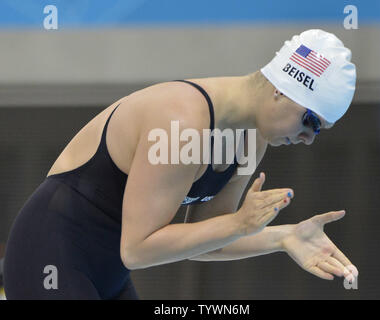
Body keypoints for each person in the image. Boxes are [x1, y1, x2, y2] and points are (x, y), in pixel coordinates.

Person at [3, 29, 357, 300]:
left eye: (320, 131)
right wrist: (239, 222)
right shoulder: (181, 121)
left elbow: (209, 239)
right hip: (51, 255)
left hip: (108, 271)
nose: (309, 138)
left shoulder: (251, 139)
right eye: (310, 120)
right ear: (283, 89)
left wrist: (283, 237)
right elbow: (138, 249)